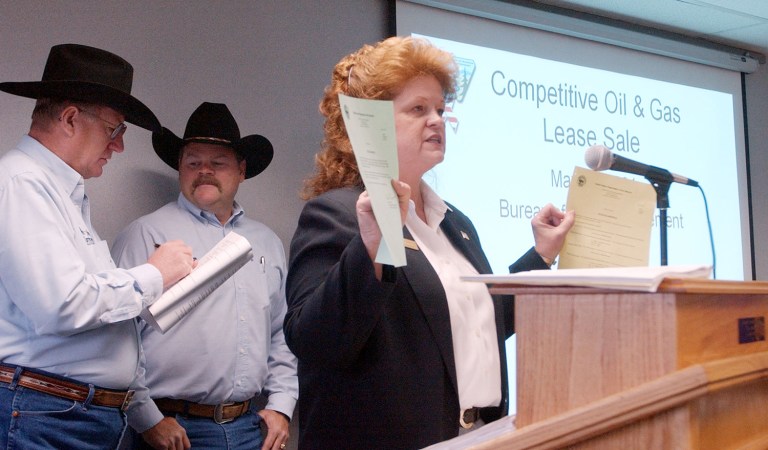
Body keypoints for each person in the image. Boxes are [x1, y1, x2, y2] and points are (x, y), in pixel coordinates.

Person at [283, 36, 575, 449]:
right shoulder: (337, 215)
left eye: (440, 109)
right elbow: (314, 341)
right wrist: (370, 249)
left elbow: (480, 325)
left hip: (481, 436)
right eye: (418, 109)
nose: (437, 120)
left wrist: (541, 254)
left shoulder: (455, 223)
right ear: (371, 125)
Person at [0, 44, 196, 449]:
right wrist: (155, 274)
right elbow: (63, 305)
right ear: (70, 119)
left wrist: (140, 411)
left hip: (62, 414)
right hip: (46, 415)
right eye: (115, 129)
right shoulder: (22, 183)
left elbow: (92, 322)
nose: (119, 146)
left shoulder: (60, 193)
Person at [112, 102, 298, 450]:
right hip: (169, 430)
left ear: (241, 171)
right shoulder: (145, 234)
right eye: (193, 162)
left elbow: (280, 331)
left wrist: (282, 405)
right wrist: (147, 419)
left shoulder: (267, 243)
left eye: (218, 163)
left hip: (248, 429)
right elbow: (117, 336)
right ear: (179, 168)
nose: (204, 171)